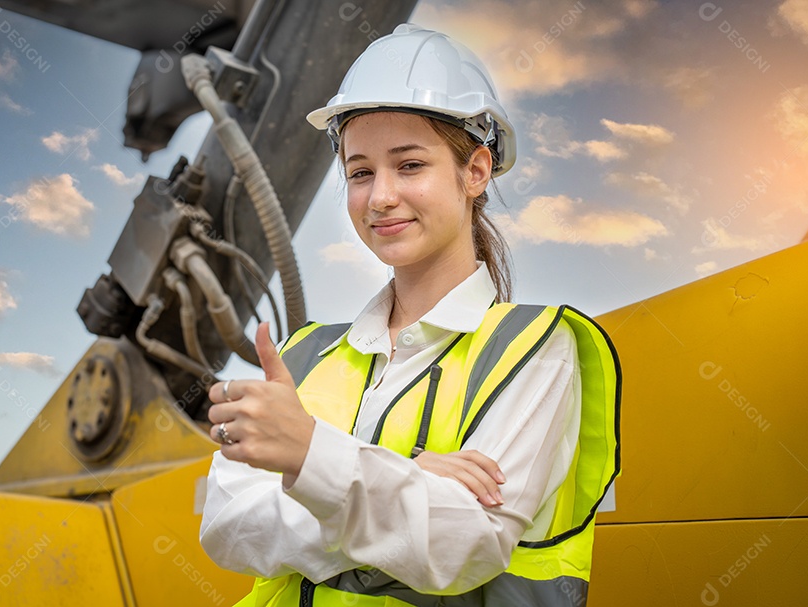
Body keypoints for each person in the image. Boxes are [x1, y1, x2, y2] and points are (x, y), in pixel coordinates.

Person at [199, 24, 621, 607]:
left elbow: (462, 545)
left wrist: (309, 461)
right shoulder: (303, 354)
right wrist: (413, 482)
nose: (380, 197)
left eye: (410, 165)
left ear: (475, 172)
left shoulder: (535, 347)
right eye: (361, 171)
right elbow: (229, 528)